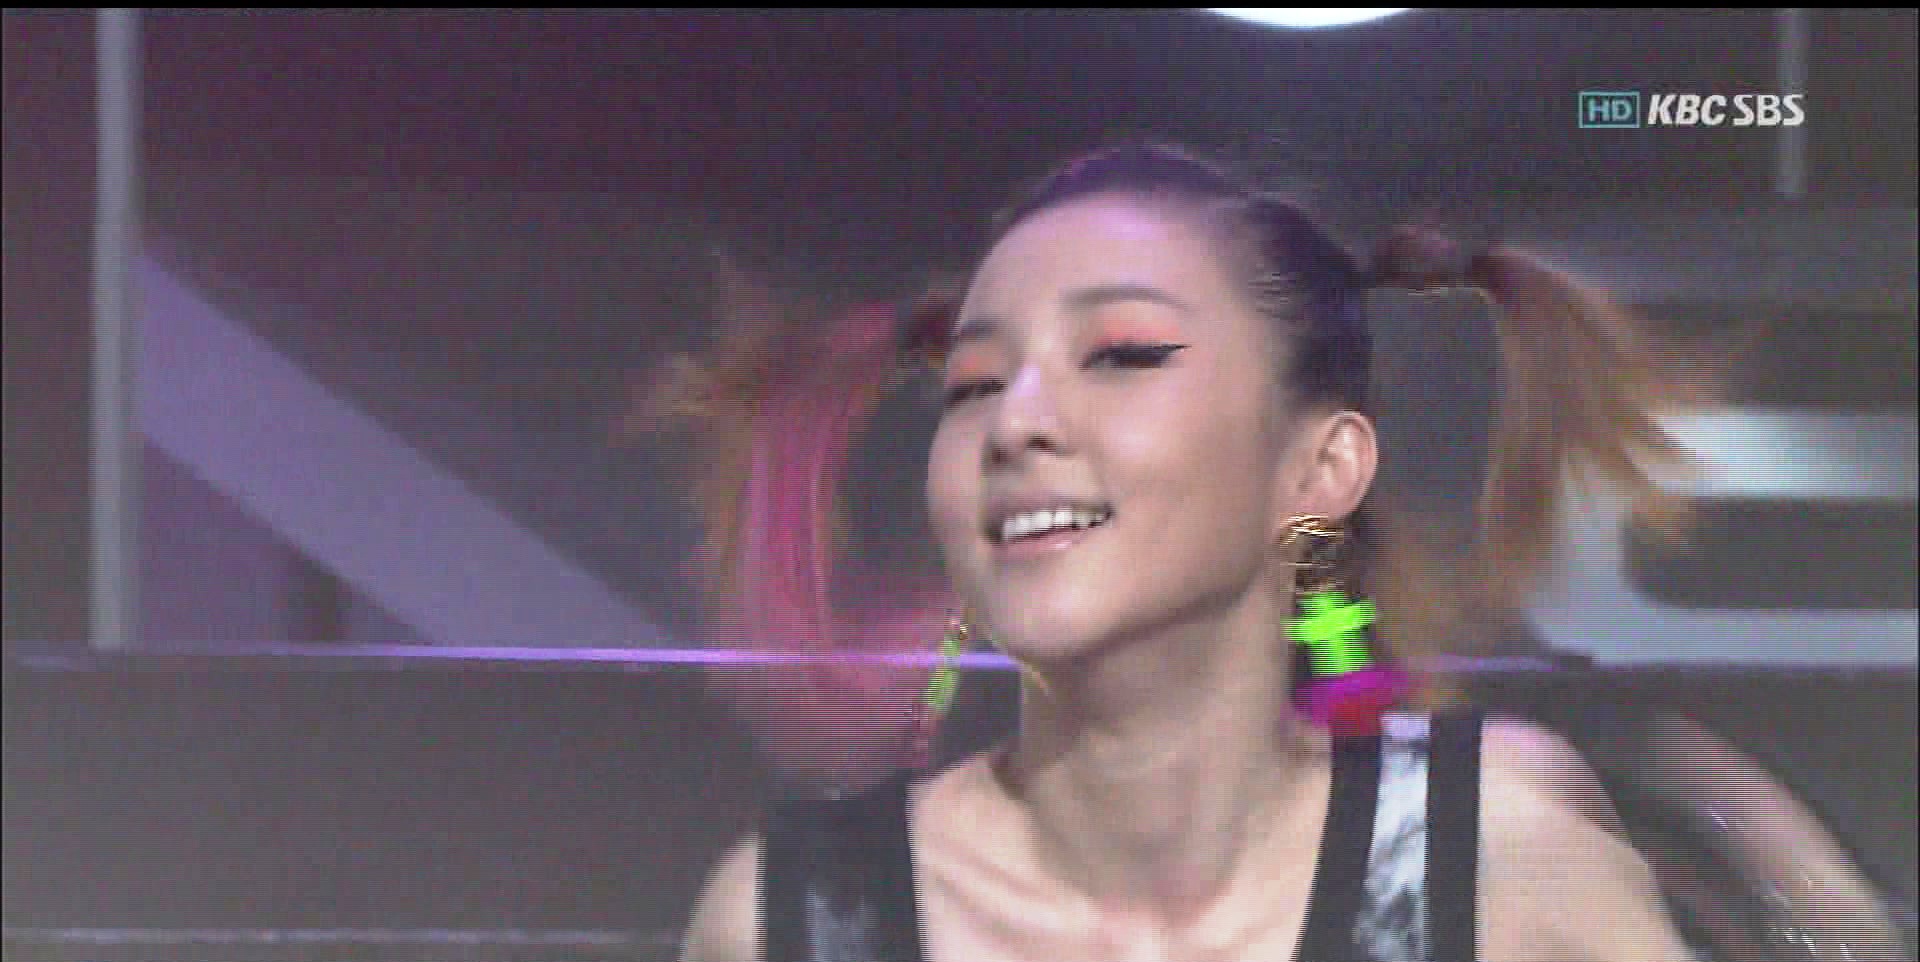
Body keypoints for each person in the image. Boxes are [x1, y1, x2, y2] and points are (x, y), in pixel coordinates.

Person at [654, 141, 1744, 961]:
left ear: (1320, 468)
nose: (1015, 422)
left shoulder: (1494, 865)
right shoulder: (793, 920)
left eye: (1121, 355)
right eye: (974, 383)